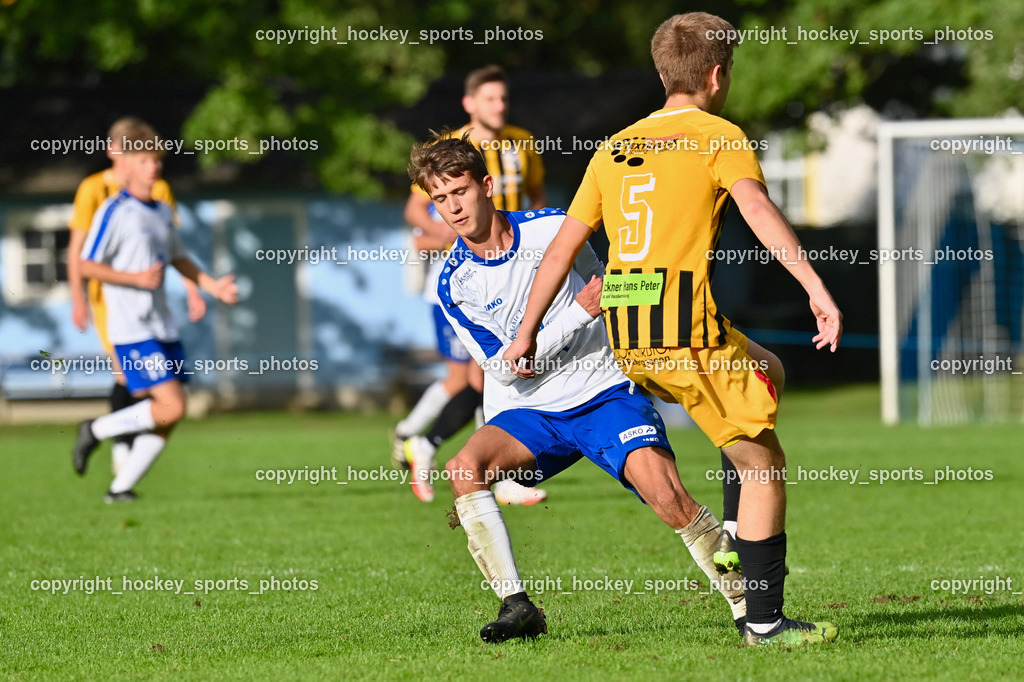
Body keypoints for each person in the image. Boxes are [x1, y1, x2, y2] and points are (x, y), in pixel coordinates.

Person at [504, 12, 842, 647]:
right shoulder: (718, 134)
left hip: (630, 331)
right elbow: (758, 208)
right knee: (764, 460)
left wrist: (526, 332)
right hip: (686, 333)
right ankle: (764, 622)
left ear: (663, 74)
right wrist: (816, 287)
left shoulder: (615, 146)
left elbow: (560, 252)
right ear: (718, 75)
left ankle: (738, 536)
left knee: (767, 370)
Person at [410, 130, 747, 643]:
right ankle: (517, 605)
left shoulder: (551, 228)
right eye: (440, 199)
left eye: (460, 192)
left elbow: (611, 282)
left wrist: (668, 294)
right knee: (464, 469)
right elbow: (505, 369)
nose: (452, 208)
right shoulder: (454, 282)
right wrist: (574, 315)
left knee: (668, 497)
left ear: (487, 185)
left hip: (604, 392)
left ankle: (748, 606)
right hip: (532, 414)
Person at [393, 65, 547, 506]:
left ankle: (426, 443)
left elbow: (536, 196)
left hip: (514, 270)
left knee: (492, 375)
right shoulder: (452, 151)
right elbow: (415, 209)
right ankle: (447, 451)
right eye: (490, 99)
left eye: (503, 99)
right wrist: (442, 231)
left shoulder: (524, 144)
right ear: (470, 103)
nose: (499, 107)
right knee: (480, 377)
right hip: (469, 279)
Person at [70, 123, 238, 502]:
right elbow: (86, 265)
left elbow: (178, 257)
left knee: (170, 416)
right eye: (143, 160)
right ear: (126, 164)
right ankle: (95, 430)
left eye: (157, 159)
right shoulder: (115, 210)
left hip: (162, 325)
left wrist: (213, 287)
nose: (153, 167)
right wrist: (133, 278)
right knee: (172, 405)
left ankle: (120, 487)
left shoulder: (161, 210)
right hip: (131, 328)